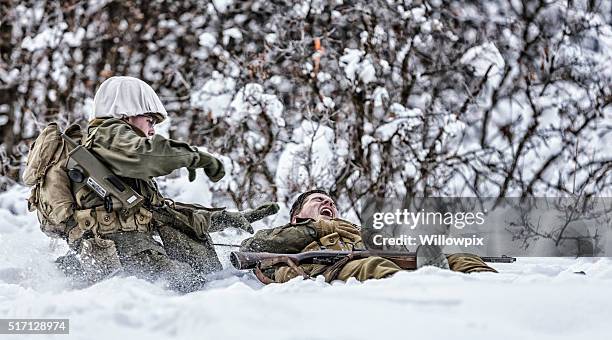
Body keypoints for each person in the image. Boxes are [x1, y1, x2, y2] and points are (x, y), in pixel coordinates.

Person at [57, 76, 276, 292]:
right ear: (125, 114)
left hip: (123, 251)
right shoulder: (109, 135)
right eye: (149, 121)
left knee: (196, 279)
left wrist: (224, 218)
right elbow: (145, 155)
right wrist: (196, 157)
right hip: (121, 253)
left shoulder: (110, 151)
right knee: (193, 285)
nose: (152, 130)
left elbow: (163, 215)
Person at [240, 189, 496, 283]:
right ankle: (421, 294)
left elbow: (400, 251)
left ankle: (493, 293)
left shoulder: (359, 232)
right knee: (371, 265)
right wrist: (318, 229)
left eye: (330, 201)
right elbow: (254, 245)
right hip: (318, 268)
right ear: (297, 215)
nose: (327, 203)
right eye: (318, 200)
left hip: (371, 261)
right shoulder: (288, 232)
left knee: (460, 258)